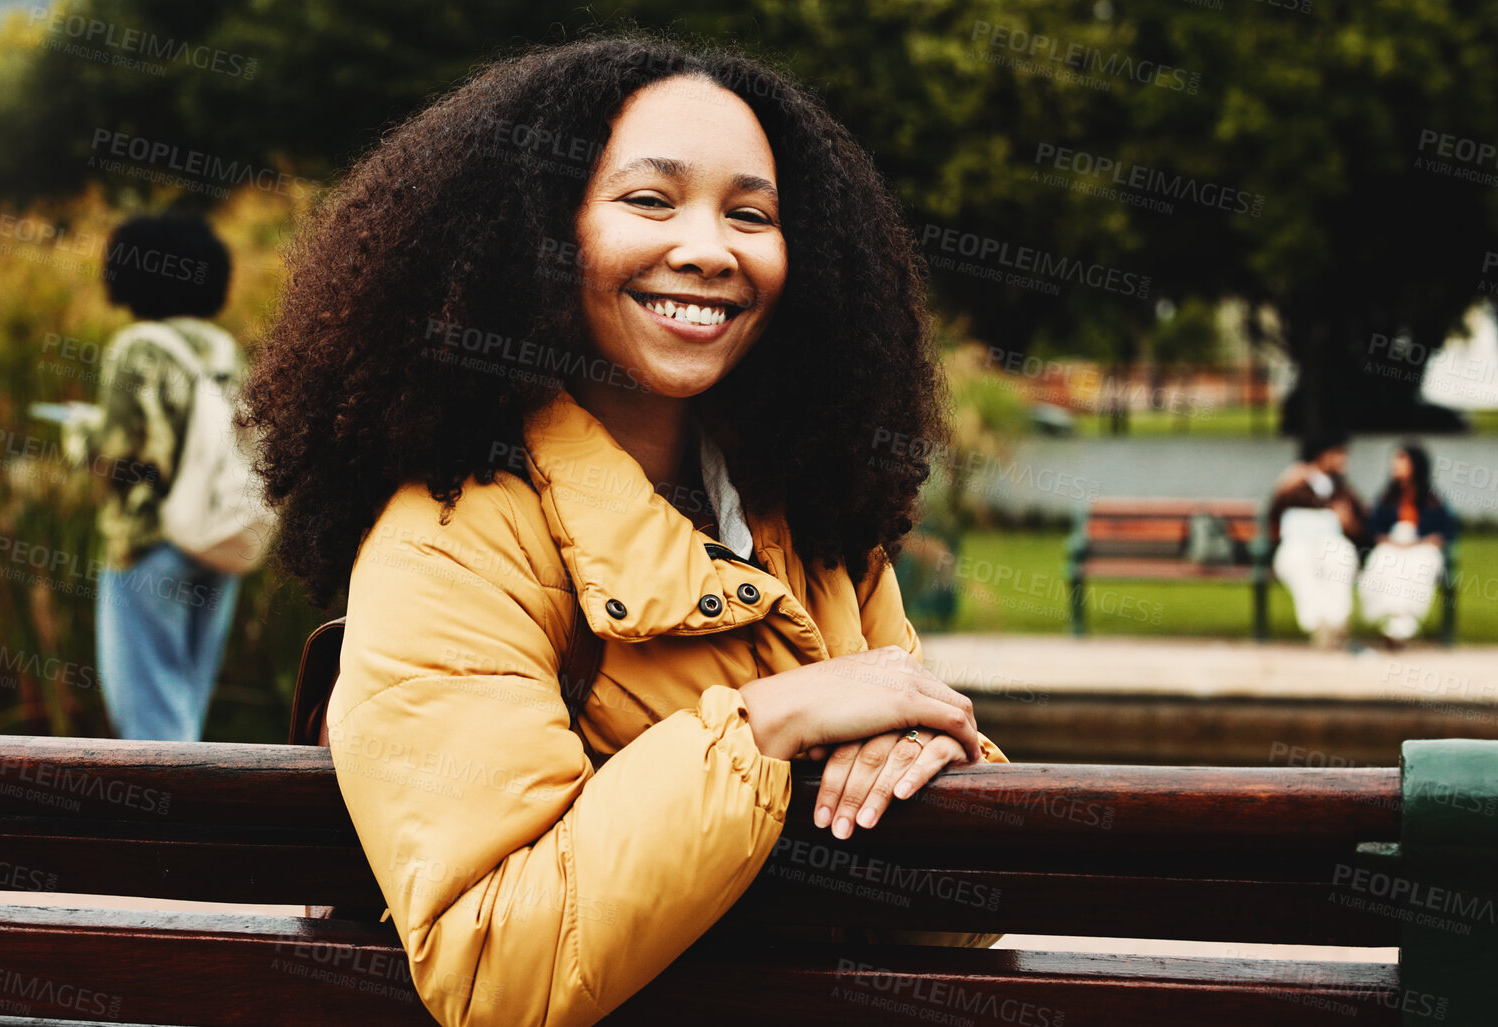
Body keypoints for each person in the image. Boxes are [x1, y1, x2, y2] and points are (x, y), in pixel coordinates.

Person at [239, 37, 1007, 1027]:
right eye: (650, 201)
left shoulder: (818, 519)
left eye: (751, 214)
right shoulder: (451, 538)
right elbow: (493, 964)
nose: (707, 248)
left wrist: (939, 756)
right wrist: (767, 722)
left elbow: (954, 916)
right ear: (534, 236)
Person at [63, 214, 242, 741]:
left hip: (150, 540)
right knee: (185, 703)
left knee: (148, 716)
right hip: (218, 538)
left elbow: (116, 449)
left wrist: (79, 434)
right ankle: (195, 818)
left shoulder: (137, 346)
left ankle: (167, 822)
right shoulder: (221, 347)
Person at [1268, 431, 1367, 649]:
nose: (1344, 460)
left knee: (1338, 558)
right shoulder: (1294, 484)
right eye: (1339, 453)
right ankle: (1317, 624)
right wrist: (1282, 487)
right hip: (1296, 546)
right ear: (1323, 455)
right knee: (1300, 563)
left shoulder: (1342, 490)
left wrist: (1349, 524)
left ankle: (1337, 621)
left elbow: (1363, 531)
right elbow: (1273, 522)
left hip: (1331, 545)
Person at [1356, 441, 1456, 645]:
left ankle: (1400, 625)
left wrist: (1427, 540)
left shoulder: (1432, 500)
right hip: (1393, 547)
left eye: (1401, 460)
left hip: (1421, 548)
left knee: (1418, 567)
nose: (1396, 465)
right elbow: (1374, 528)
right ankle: (1399, 623)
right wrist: (1388, 540)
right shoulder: (1387, 498)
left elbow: (1447, 530)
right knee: (1385, 563)